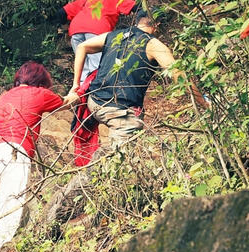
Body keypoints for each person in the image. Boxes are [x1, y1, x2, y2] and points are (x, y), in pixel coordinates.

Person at [0, 61, 76, 252]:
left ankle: (18, 244)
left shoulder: (5, 95)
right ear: (41, 81)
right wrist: (76, 88)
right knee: (11, 212)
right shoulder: (39, 93)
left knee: (18, 202)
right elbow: (67, 102)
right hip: (12, 152)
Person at [69, 8, 178, 151]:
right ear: (157, 24)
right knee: (121, 158)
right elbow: (179, 74)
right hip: (119, 110)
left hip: (95, 101)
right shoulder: (153, 45)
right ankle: (95, 169)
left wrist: (76, 84)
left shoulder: (115, 35)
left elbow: (82, 46)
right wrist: (202, 102)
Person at [64, 0, 136, 80]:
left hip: (76, 29)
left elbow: (63, 12)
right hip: (97, 29)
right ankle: (96, 89)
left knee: (82, 67)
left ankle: (82, 90)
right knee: (96, 65)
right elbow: (134, 6)